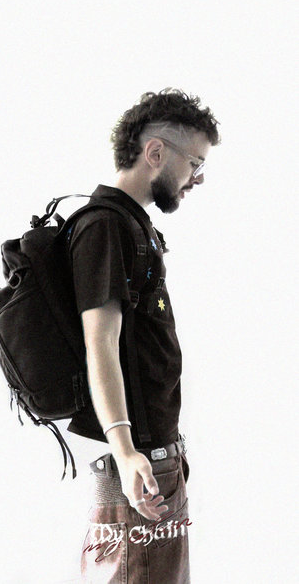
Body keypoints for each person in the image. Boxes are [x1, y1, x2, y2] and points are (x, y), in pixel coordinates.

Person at [66, 89, 220, 583]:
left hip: (153, 459)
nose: (197, 177)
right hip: (139, 464)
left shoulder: (132, 226)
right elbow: (100, 342)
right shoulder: (105, 227)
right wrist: (126, 448)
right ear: (155, 152)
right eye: (194, 162)